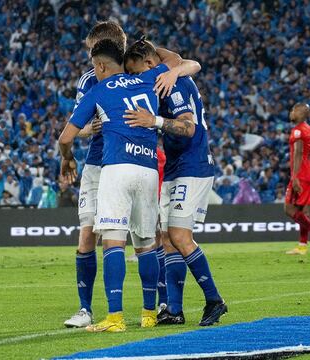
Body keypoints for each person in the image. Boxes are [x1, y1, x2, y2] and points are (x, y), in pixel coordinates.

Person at [58, 38, 200, 333]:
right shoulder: (147, 77)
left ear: (99, 66)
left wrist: (66, 160)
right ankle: (149, 313)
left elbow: (65, 138)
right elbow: (177, 60)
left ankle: (115, 318)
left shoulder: (97, 90)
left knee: (113, 241)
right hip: (148, 169)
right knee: (147, 243)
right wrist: (170, 68)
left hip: (116, 169)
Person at [123, 38, 227, 326]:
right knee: (167, 239)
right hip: (176, 166)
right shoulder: (165, 76)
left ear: (148, 64)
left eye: (135, 72)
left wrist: (153, 121)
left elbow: (188, 127)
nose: (135, 79)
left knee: (180, 237)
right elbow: (175, 58)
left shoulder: (174, 84)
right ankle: (174, 310)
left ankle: (215, 300)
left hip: (192, 166)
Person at [284, 103, 310, 255]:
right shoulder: (309, 128)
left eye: (293, 110)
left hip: (301, 174)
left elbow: (298, 153)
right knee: (302, 210)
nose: (291, 112)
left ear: (300, 112)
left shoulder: (298, 131)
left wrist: (295, 177)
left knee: (289, 209)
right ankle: (302, 246)